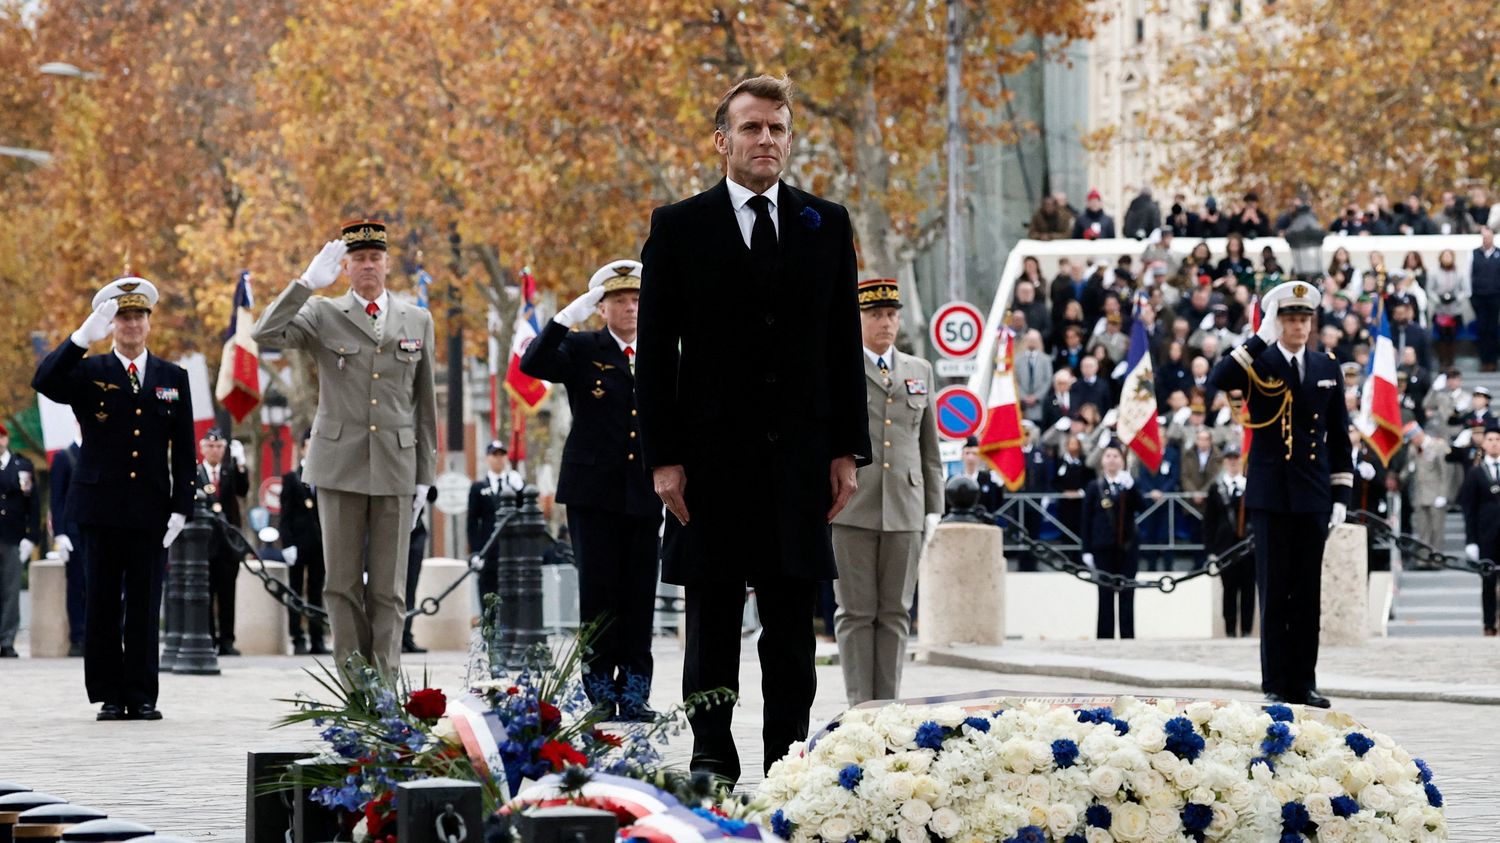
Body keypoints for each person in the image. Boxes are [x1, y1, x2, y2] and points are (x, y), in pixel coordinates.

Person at [636, 75, 869, 783]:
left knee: (792, 623)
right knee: (709, 619)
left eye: (777, 128)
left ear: (790, 139)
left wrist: (846, 450)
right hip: (709, 463)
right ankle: (712, 752)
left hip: (799, 461)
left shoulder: (826, 223)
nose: (765, 139)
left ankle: (787, 757)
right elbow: (654, 353)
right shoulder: (677, 227)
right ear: (721, 141)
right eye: (751, 128)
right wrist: (663, 459)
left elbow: (841, 345)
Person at [252, 219, 438, 672]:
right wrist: (303, 284)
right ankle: (356, 687)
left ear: (388, 263)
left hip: (397, 463)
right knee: (341, 583)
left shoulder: (417, 319)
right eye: (358, 259)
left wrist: (424, 478)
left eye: (375, 258)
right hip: (338, 464)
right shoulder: (321, 313)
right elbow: (265, 335)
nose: (368, 266)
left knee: (389, 588)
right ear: (346, 267)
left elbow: (424, 405)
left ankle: (386, 688)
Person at [32, 277, 195, 719]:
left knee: (144, 603)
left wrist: (183, 505)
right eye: (122, 316)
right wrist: (82, 336)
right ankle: (109, 693)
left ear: (148, 322)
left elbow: (184, 449)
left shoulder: (171, 377)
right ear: (112, 323)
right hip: (99, 505)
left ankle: (141, 694)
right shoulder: (89, 371)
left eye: (138, 315)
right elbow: (44, 380)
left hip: (150, 507)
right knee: (102, 601)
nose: (131, 324)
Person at [522, 259, 662, 720]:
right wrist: (565, 318)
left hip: (644, 491)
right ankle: (600, 690)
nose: (631, 308)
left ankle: (636, 689)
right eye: (620, 300)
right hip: (593, 492)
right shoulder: (585, 347)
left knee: (639, 595)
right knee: (598, 593)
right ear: (602, 307)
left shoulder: (661, 349)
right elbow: (534, 363)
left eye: (637, 299)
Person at [1209, 280, 1352, 708]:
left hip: (1312, 495)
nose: (1298, 326)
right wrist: (1258, 338)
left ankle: (1303, 682)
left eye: (1304, 318)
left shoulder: (1327, 367)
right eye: (1290, 318)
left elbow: (1339, 438)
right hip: (1271, 494)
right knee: (1273, 591)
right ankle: (1274, 682)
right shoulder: (1259, 362)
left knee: (1307, 593)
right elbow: (1219, 378)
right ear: (1277, 321)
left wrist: (1341, 497)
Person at [830, 279, 942, 706]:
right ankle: (861, 706)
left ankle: (889, 706)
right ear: (857, 319)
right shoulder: (839, 368)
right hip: (852, 505)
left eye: (892, 315)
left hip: (906, 506)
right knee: (856, 612)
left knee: (897, 612)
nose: (886, 323)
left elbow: (927, 447)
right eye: (875, 315)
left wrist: (935, 507)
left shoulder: (919, 371)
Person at [1081, 442, 1145, 638]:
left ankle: (1127, 637)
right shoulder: (1094, 487)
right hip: (1103, 547)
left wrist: (1132, 488)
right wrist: (1086, 550)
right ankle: (1105, 637)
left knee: (1127, 594)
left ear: (1122, 460)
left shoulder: (1128, 484)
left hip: (1127, 547)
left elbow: (1142, 506)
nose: (1112, 460)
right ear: (1102, 460)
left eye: (1116, 456)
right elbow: (1085, 520)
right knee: (1105, 595)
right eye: (1108, 456)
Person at [197, 428, 250, 656]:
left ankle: (227, 640)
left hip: (228, 545)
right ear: (202, 448)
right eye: (210, 446)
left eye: (219, 446)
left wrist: (241, 465)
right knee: (206, 594)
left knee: (228, 594)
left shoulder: (229, 472)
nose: (214, 450)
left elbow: (243, 490)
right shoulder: (195, 473)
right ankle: (208, 637)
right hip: (204, 544)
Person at [279, 430, 328, 656]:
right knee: (296, 591)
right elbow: (286, 515)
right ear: (302, 449)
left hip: (320, 545)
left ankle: (317, 639)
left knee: (317, 592)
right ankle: (297, 637)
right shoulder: (292, 478)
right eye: (309, 445)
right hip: (298, 543)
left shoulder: (325, 476)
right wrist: (287, 544)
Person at [466, 440, 525, 612]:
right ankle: (489, 633)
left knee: (511, 595)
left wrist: (520, 489)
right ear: (488, 458)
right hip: (488, 548)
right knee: (487, 593)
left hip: (510, 548)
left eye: (501, 455)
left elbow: (524, 510)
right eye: (494, 455)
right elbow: (472, 522)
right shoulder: (478, 488)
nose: (498, 459)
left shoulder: (513, 483)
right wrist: (476, 552)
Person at [1203, 447, 1254, 636]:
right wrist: (1210, 550)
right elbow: (1209, 521)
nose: (1233, 463)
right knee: (1229, 589)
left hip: (1249, 546)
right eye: (1229, 459)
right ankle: (1230, 629)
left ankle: (1247, 629)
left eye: (1236, 459)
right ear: (1224, 462)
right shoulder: (1217, 488)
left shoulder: (1250, 486)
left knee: (1248, 589)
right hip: (1226, 547)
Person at [0, 423, 39, 658]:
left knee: (10, 592)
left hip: (12, 536)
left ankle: (6, 640)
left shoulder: (22, 466)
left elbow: (32, 504)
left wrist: (31, 536)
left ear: (6, 439)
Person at [1459, 421, 1500, 636]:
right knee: (1488, 582)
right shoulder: (1476, 473)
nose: (1494, 444)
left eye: (1497, 440)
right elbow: (1469, 508)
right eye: (1490, 440)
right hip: (1487, 535)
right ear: (1483, 443)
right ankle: (1489, 624)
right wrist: (1471, 540)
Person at [48, 434, 86, 656]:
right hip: (73, 533)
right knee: (76, 586)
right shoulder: (64, 456)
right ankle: (78, 636)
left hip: (97, 528)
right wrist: (60, 533)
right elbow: (57, 497)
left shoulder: (100, 450)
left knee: (99, 585)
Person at [1401, 422, 1451, 551]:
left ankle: (1437, 558)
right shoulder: (1413, 449)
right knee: (1423, 529)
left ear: (1417, 435)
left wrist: (1443, 495)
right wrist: (1401, 476)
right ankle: (1423, 559)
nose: (1411, 442)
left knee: (1436, 528)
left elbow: (1445, 472)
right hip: (1420, 493)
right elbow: (1407, 469)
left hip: (1435, 493)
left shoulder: (1437, 446)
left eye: (1412, 439)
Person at [401, 484, 439, 654]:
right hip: (390, 525)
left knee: (410, 587)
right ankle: (391, 636)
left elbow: (432, 495)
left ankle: (406, 635)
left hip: (415, 530)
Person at [1472, 227, 1500, 372]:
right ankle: (1483, 361)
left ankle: (1493, 361)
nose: (1486, 240)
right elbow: (1469, 274)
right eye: (1484, 238)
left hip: (1495, 297)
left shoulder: (1499, 254)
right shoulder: (1474, 254)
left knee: (1493, 329)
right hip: (1479, 297)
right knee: (1482, 329)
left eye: (1488, 237)